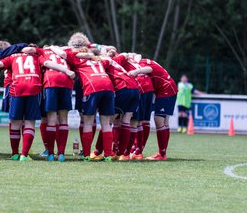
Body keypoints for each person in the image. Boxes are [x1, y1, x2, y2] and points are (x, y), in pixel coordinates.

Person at [50, 33, 116, 162]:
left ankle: (86, 155)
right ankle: (107, 155)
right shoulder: (97, 57)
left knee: (87, 121)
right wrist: (95, 52)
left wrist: (52, 46)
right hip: (108, 86)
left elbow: (62, 53)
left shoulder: (74, 56)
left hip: (92, 86)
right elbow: (110, 55)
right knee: (106, 123)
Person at [129, 54, 178, 161]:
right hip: (167, 88)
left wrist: (136, 71)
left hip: (166, 89)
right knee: (164, 121)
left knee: (159, 119)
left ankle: (162, 154)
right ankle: (162, 152)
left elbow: (149, 69)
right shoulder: (145, 60)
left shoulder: (142, 63)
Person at [37, 46, 74, 162]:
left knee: (51, 119)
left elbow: (46, 63)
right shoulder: (65, 51)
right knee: (64, 119)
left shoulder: (42, 52)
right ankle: (61, 154)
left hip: (51, 82)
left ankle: (51, 154)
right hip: (67, 82)